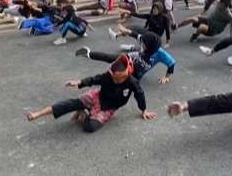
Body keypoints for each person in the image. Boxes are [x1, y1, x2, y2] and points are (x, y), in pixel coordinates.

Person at [25, 55, 156, 132]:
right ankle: (38, 114)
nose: (115, 79)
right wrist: (79, 82)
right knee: (71, 103)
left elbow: (140, 94)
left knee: (90, 127)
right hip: (98, 96)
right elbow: (94, 79)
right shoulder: (108, 76)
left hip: (108, 107)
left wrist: (143, 110)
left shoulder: (132, 82)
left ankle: (84, 111)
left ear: (127, 73)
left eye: (119, 77)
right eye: (114, 76)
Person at [76, 31, 175, 84]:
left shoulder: (161, 53)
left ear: (151, 45)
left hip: (135, 73)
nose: (142, 45)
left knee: (112, 78)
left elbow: (171, 63)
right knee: (110, 57)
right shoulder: (147, 42)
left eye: (144, 44)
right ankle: (88, 54)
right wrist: (127, 31)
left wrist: (166, 77)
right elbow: (136, 35)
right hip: (132, 58)